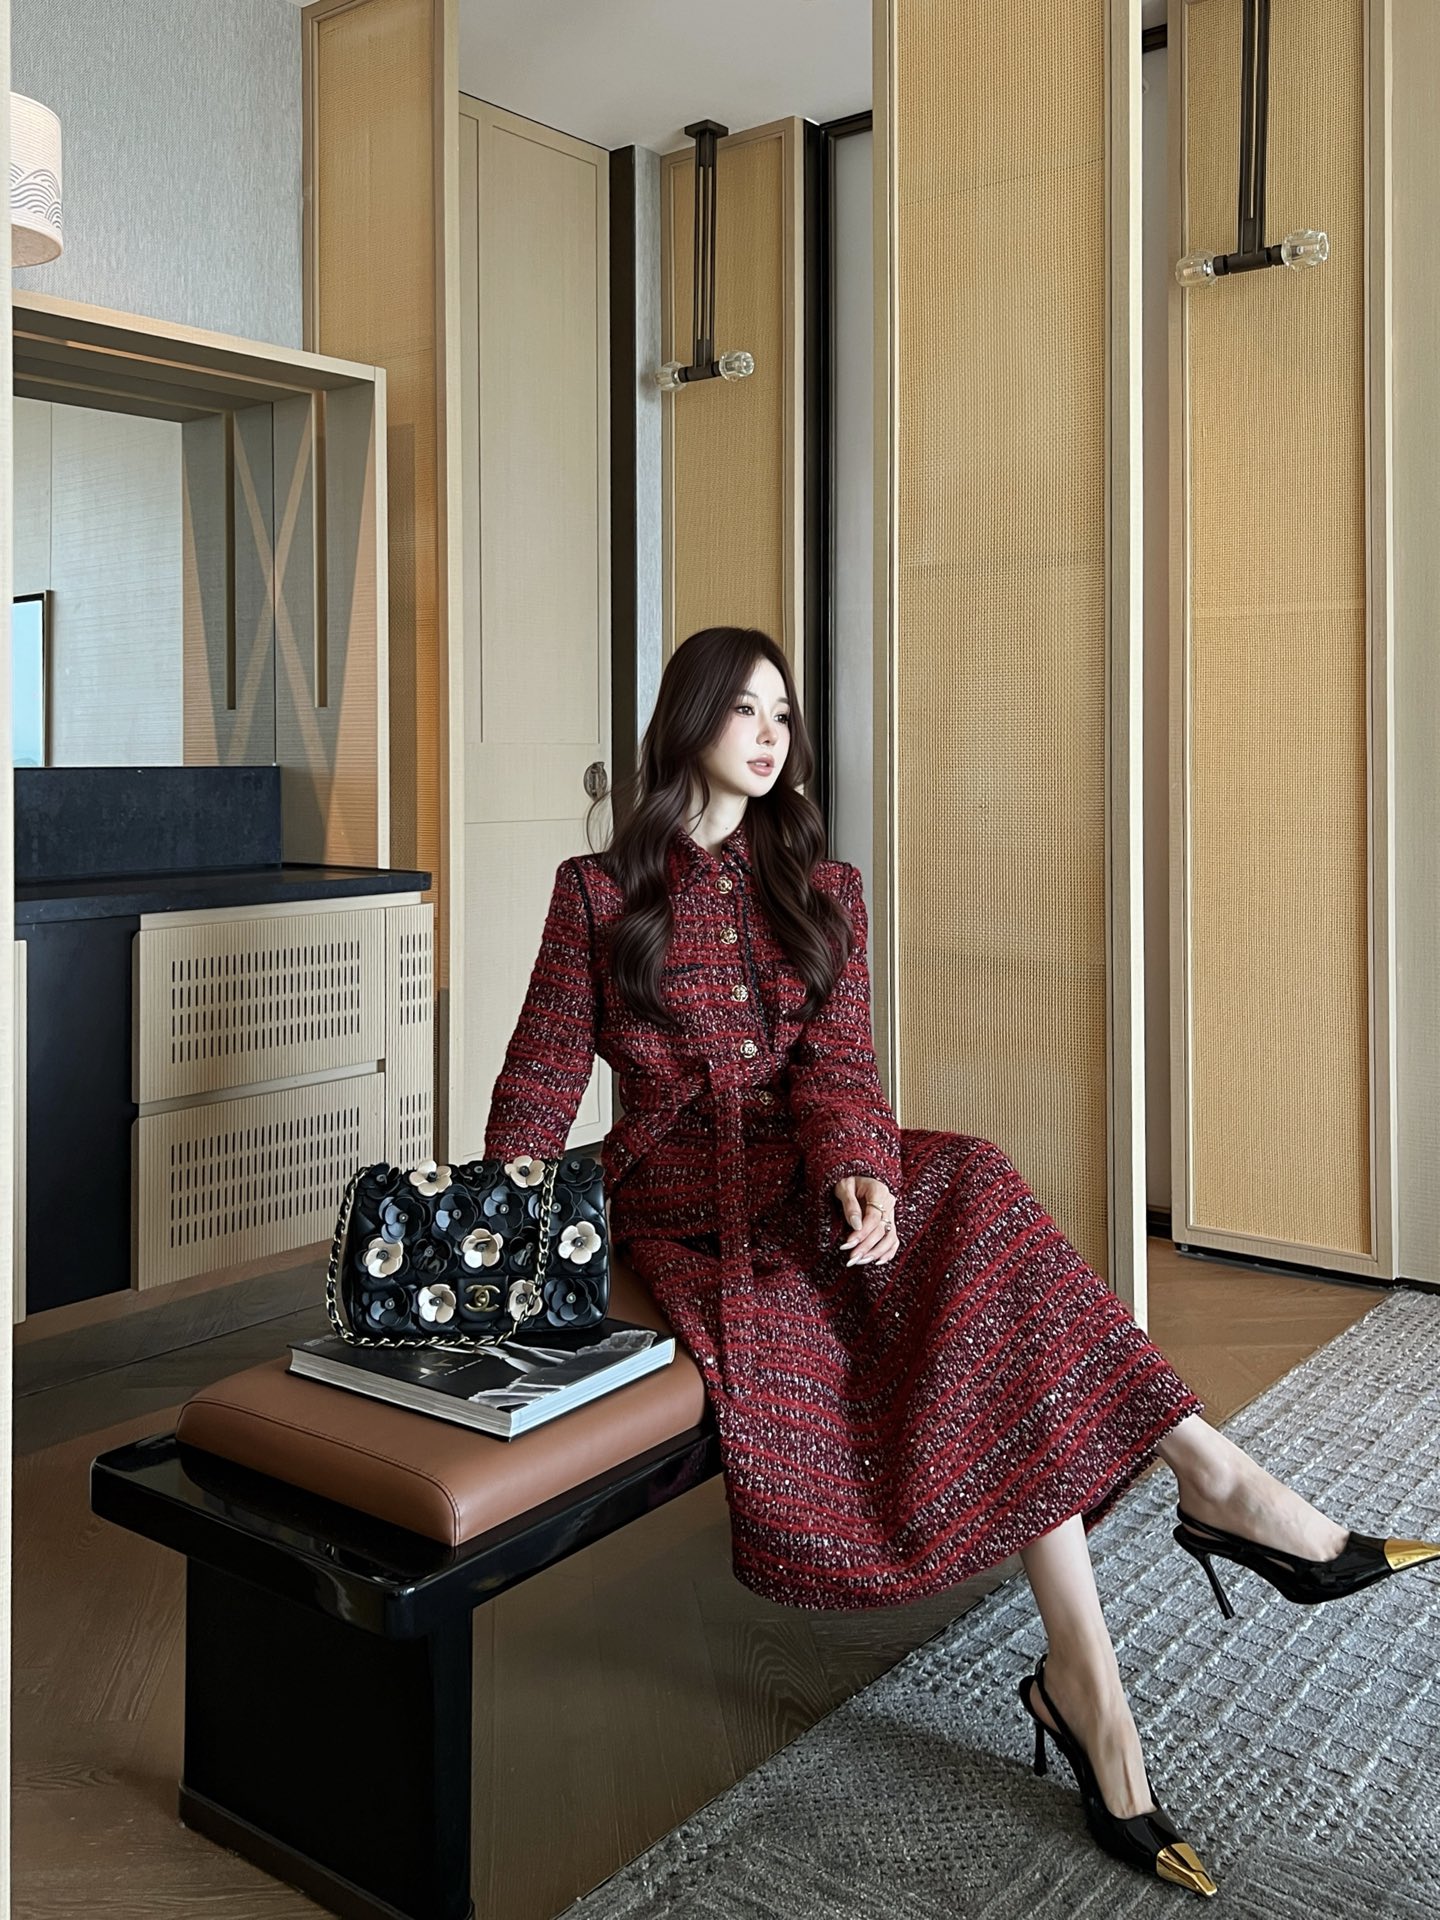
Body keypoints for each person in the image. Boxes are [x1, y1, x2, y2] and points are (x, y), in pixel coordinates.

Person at [482, 625, 1439, 1897]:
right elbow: (540, 1081)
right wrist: (498, 1240)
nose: (770, 735)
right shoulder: (599, 892)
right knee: (981, 1274)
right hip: (691, 1215)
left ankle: (1109, 1658)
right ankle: (1197, 1524)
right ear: (689, 721)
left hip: (813, 1184)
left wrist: (858, 1169)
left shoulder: (821, 887)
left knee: (971, 1195)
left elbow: (841, 1071)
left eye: (783, 714)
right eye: (745, 709)